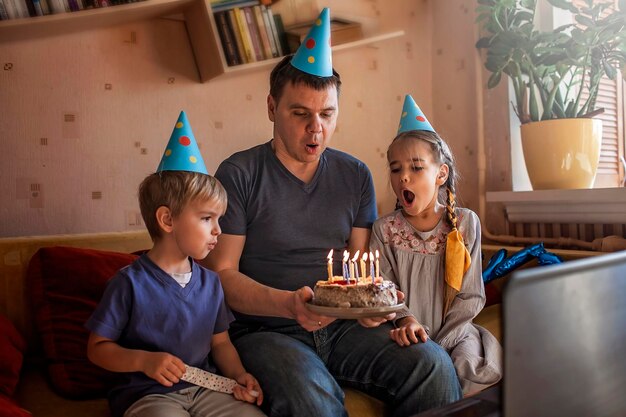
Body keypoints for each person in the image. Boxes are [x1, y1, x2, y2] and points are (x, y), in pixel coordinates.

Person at [202, 9, 462, 417]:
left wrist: (375, 310)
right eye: (300, 114)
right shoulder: (239, 174)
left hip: (343, 328)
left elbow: (359, 270)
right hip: (266, 330)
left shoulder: (355, 174)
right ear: (272, 107)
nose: (316, 129)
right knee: (312, 400)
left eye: (327, 114)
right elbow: (222, 276)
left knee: (432, 366)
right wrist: (289, 305)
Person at [85, 111, 266, 417]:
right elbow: (97, 348)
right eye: (207, 218)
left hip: (207, 390)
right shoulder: (128, 283)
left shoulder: (210, 282)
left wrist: (239, 375)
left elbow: (220, 344)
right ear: (167, 219)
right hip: (147, 397)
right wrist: (144, 361)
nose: (218, 230)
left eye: (218, 220)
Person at [370, 95, 503, 395]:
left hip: (456, 334)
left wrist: (440, 346)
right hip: (405, 332)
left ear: (441, 174)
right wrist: (407, 320)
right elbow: (383, 289)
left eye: (416, 167)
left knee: (470, 370)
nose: (403, 176)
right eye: (395, 168)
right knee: (420, 374)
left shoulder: (465, 224)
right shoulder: (384, 230)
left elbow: (470, 295)